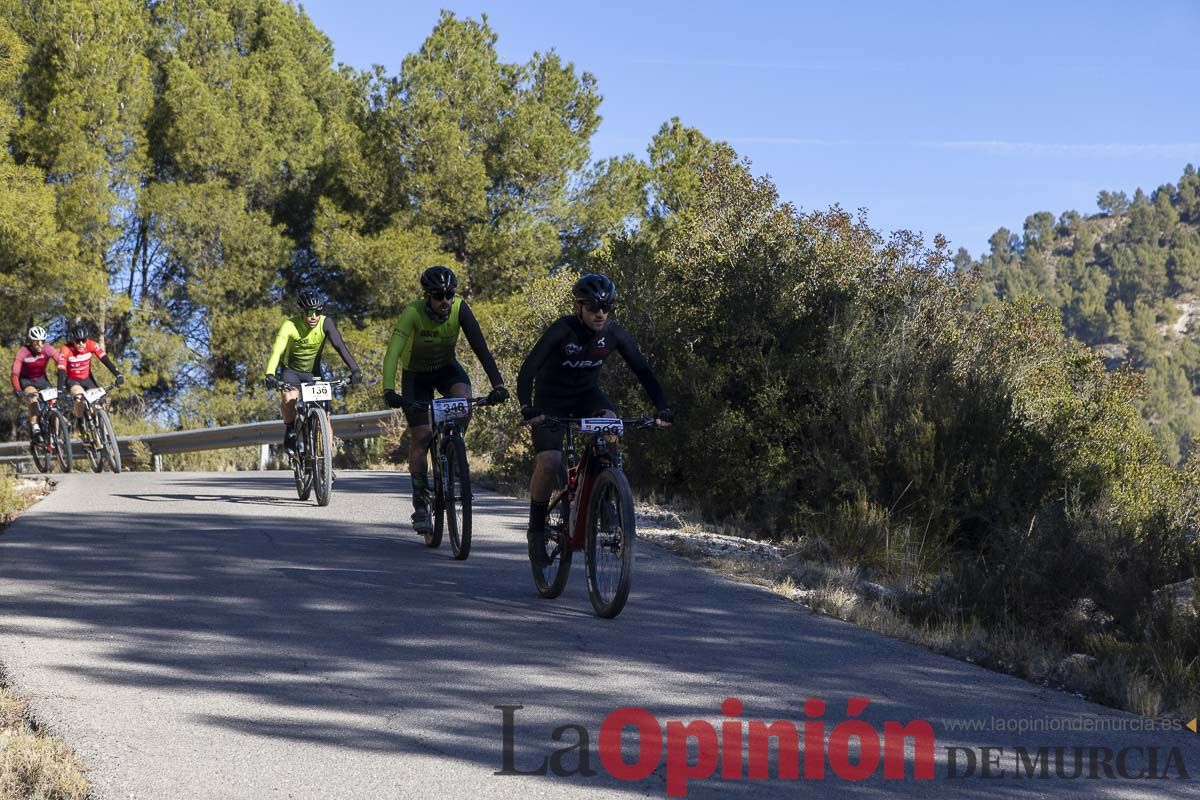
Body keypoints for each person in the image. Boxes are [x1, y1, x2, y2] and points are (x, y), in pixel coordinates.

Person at [517, 273, 672, 565]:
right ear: (579, 307)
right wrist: (528, 407)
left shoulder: (613, 333)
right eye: (593, 307)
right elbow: (527, 371)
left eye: (606, 307)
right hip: (551, 402)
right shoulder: (562, 330)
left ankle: (605, 492)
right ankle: (536, 529)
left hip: (587, 396)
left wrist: (663, 408)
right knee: (549, 462)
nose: (600, 313)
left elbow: (644, 372)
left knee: (611, 422)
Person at [381, 265, 508, 535]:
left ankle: (453, 446)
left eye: (450, 294)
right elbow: (393, 352)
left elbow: (480, 347)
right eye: (439, 296)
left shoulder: (460, 308)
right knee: (422, 436)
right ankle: (420, 506)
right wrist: (389, 389)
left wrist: (498, 384)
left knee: (464, 400)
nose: (446, 301)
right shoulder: (412, 312)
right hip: (416, 376)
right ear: (428, 296)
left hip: (446, 368)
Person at [264, 288, 362, 452]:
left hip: (313, 373)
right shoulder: (290, 325)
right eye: (309, 312)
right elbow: (277, 350)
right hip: (292, 371)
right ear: (301, 312)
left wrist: (355, 369)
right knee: (289, 398)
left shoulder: (325, 323)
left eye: (317, 312)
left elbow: (340, 346)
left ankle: (326, 463)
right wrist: (270, 374)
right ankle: (290, 429)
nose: (313, 317)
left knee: (325, 416)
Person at [57, 323, 124, 420]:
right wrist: (59, 389)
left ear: (86, 339)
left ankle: (102, 430)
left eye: (83, 340)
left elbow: (106, 360)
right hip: (72, 380)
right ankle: (78, 419)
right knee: (79, 397)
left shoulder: (91, 345)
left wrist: (118, 374)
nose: (81, 344)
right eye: (77, 341)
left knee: (101, 403)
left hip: (87, 378)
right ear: (73, 340)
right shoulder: (65, 349)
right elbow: (61, 370)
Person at [11, 326, 60, 436]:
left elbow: (60, 361)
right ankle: (34, 424)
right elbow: (14, 374)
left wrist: (63, 374)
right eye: (36, 343)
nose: (40, 345)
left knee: (53, 402)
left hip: (41, 378)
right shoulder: (22, 352)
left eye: (42, 342)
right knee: (33, 397)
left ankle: (56, 436)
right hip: (26, 380)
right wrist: (17, 389)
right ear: (30, 342)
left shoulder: (48, 349)